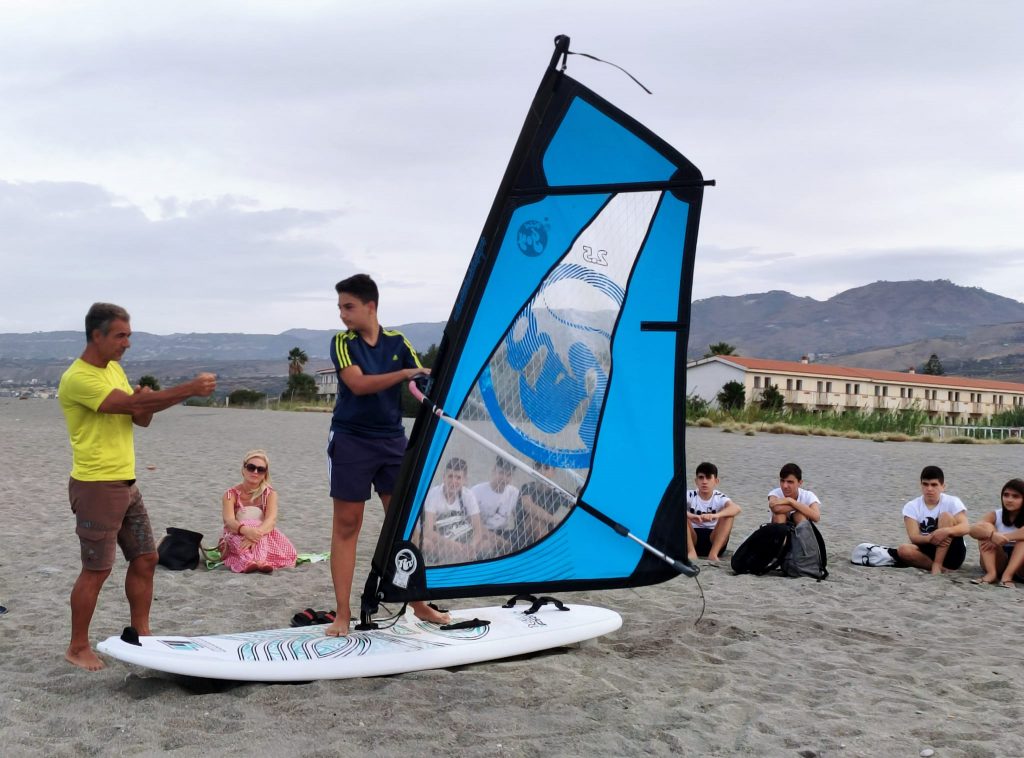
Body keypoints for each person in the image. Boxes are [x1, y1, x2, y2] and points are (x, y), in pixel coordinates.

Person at [58, 302, 216, 671]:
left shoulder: (113, 369)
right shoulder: (79, 378)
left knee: (147, 558)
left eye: (129, 335)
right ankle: (77, 646)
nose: (127, 343)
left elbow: (138, 417)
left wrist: (143, 403)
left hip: (126, 483)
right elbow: (122, 406)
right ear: (96, 336)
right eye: (120, 335)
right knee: (96, 570)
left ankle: (141, 632)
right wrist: (188, 389)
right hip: (96, 486)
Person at [325, 274, 448, 636]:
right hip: (351, 440)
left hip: (392, 440)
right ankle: (343, 615)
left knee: (403, 524)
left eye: (348, 307)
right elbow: (358, 385)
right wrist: (406, 373)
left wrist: (427, 380)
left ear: (370, 306)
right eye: (340, 308)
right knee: (348, 525)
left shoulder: (398, 342)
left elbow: (423, 377)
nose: (343, 315)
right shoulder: (343, 342)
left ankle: (418, 602)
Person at [219, 450, 297, 574]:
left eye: (260, 469)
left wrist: (254, 535)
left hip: (262, 534)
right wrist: (247, 531)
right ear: (243, 470)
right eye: (251, 467)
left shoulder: (270, 494)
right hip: (237, 533)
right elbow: (229, 521)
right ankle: (249, 561)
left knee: (287, 551)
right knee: (239, 541)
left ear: (265, 474)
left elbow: (270, 521)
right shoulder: (230, 494)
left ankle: (259, 561)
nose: (255, 472)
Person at [896, 465, 970, 575]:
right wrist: (931, 538)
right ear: (920, 485)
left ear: (943, 486)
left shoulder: (952, 502)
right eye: (925, 484)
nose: (929, 489)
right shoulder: (911, 506)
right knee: (903, 550)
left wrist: (946, 531)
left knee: (945, 516)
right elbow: (914, 537)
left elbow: (966, 527)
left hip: (953, 550)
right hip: (928, 548)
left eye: (934, 485)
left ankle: (937, 564)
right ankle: (939, 568)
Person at [421, 457, 489, 562]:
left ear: (464, 480)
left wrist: (470, 547)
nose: (453, 481)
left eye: (458, 478)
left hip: (461, 537)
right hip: (440, 538)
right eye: (450, 476)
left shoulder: (468, 495)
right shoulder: (434, 494)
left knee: (485, 543)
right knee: (426, 543)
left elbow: (478, 528)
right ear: (444, 477)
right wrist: (452, 544)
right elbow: (428, 531)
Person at [968, 478, 1024, 587]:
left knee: (1022, 541)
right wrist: (992, 535)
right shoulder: (996, 514)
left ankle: (1007, 576)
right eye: (1006, 495)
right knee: (985, 529)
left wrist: (1000, 539)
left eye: (1015, 496)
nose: (1009, 499)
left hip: (1021, 566)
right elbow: (972, 530)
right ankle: (991, 574)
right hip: (997, 561)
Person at [686, 461, 742, 561]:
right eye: (701, 477)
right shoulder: (690, 495)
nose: (704, 481)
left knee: (728, 515)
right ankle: (691, 552)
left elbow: (736, 508)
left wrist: (716, 515)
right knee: (679, 515)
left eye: (708, 478)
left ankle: (713, 555)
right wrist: (690, 515)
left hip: (714, 540)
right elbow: (671, 507)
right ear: (696, 481)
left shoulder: (719, 497)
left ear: (716, 481)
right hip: (691, 539)